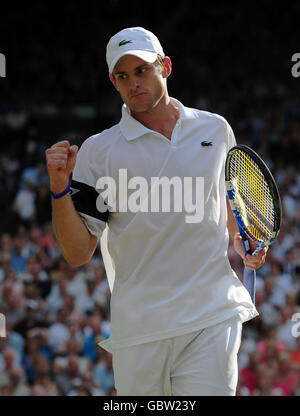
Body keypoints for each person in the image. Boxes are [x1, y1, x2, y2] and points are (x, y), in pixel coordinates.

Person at [45, 26, 267, 396]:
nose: (133, 82)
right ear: (113, 82)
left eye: (142, 70)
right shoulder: (98, 153)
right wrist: (58, 188)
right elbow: (77, 251)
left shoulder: (215, 129)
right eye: (122, 76)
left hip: (212, 316)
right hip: (140, 329)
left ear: (165, 66)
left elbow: (229, 199)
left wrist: (242, 238)